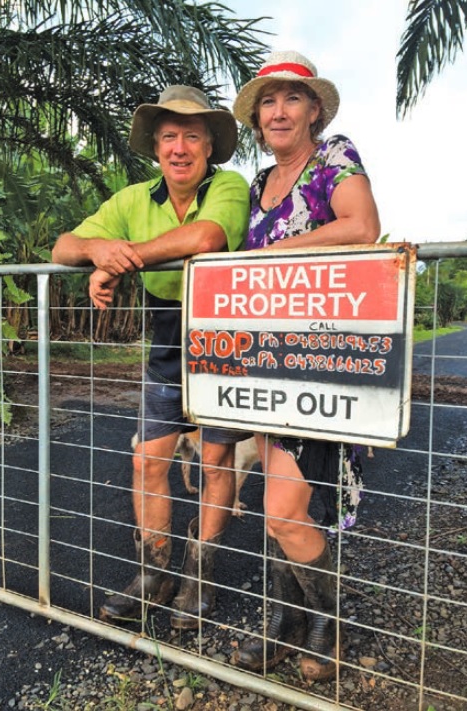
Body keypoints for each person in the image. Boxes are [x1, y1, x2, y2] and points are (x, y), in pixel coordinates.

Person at [52, 85, 251, 630]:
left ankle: (201, 574)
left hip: (225, 333)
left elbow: (208, 237)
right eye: (169, 136)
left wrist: (123, 259)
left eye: (191, 135)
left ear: (209, 145)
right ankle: (154, 569)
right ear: (156, 146)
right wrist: (98, 251)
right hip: (167, 333)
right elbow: (63, 246)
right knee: (148, 460)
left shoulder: (228, 186)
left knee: (215, 462)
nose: (179, 147)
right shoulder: (133, 198)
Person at [230, 51, 380, 680]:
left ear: (314, 109)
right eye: (268, 100)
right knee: (280, 505)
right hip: (269, 364)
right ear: (258, 118)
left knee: (284, 511)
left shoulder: (333, 157)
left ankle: (328, 624)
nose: (279, 110)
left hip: (322, 359)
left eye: (292, 98)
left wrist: (281, 251)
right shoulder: (258, 185)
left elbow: (363, 225)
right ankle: (291, 621)